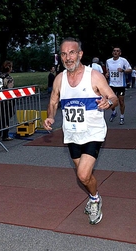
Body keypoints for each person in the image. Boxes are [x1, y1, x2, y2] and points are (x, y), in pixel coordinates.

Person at [43, 37, 118, 225]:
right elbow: (53, 101)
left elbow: (113, 97)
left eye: (72, 52)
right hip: (72, 134)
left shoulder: (93, 76)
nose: (68, 57)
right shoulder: (60, 79)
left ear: (80, 54)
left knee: (83, 175)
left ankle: (94, 200)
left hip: (93, 133)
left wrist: (108, 102)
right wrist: (51, 116)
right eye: (64, 54)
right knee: (83, 176)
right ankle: (95, 195)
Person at [105, 47, 132, 125]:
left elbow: (130, 70)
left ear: (120, 53)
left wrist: (123, 70)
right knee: (110, 101)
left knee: (121, 101)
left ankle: (122, 116)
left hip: (120, 85)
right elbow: (108, 71)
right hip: (112, 84)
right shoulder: (108, 61)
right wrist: (107, 74)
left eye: (117, 51)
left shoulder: (123, 61)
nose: (115, 52)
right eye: (114, 51)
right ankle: (114, 112)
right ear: (112, 53)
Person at [0, 60, 15, 141]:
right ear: (9, 68)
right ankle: (5, 135)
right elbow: (10, 90)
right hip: (6, 101)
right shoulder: (9, 78)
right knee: (6, 117)